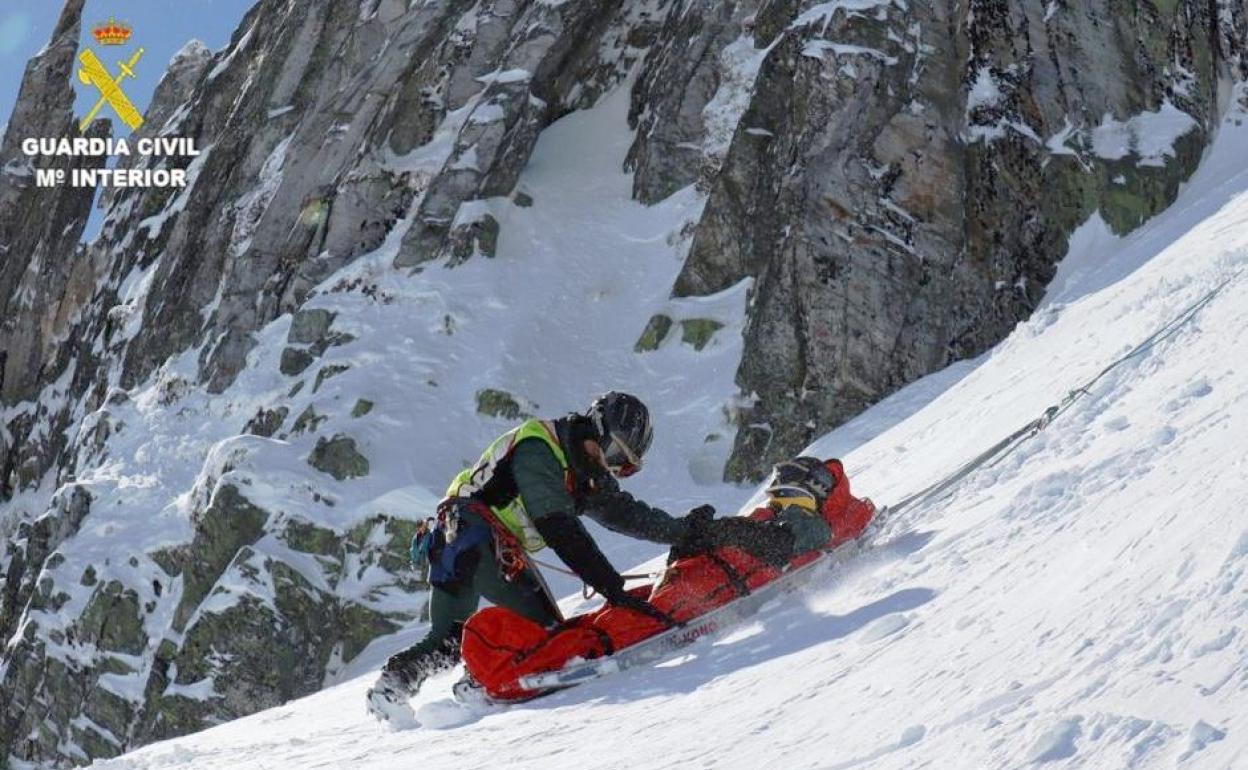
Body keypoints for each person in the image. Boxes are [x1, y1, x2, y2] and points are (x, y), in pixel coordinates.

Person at [366, 392, 703, 719]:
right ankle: (479, 684)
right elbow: (559, 529)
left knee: (451, 637)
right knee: (545, 637)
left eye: (623, 467)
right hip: (476, 533)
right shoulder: (541, 449)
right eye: (614, 452)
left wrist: (685, 531)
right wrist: (612, 588)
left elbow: (625, 514)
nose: (609, 465)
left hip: (452, 539)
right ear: (597, 428)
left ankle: (393, 689)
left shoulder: (582, 469)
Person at [460, 456, 876, 701]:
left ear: (810, 492)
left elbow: (779, 546)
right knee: (604, 618)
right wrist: (689, 542)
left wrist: (714, 533)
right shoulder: (777, 517)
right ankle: (505, 655)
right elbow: (744, 544)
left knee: (613, 632)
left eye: (785, 488)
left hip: (699, 594)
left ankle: (506, 666)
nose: (776, 495)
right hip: (688, 584)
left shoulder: (809, 523)